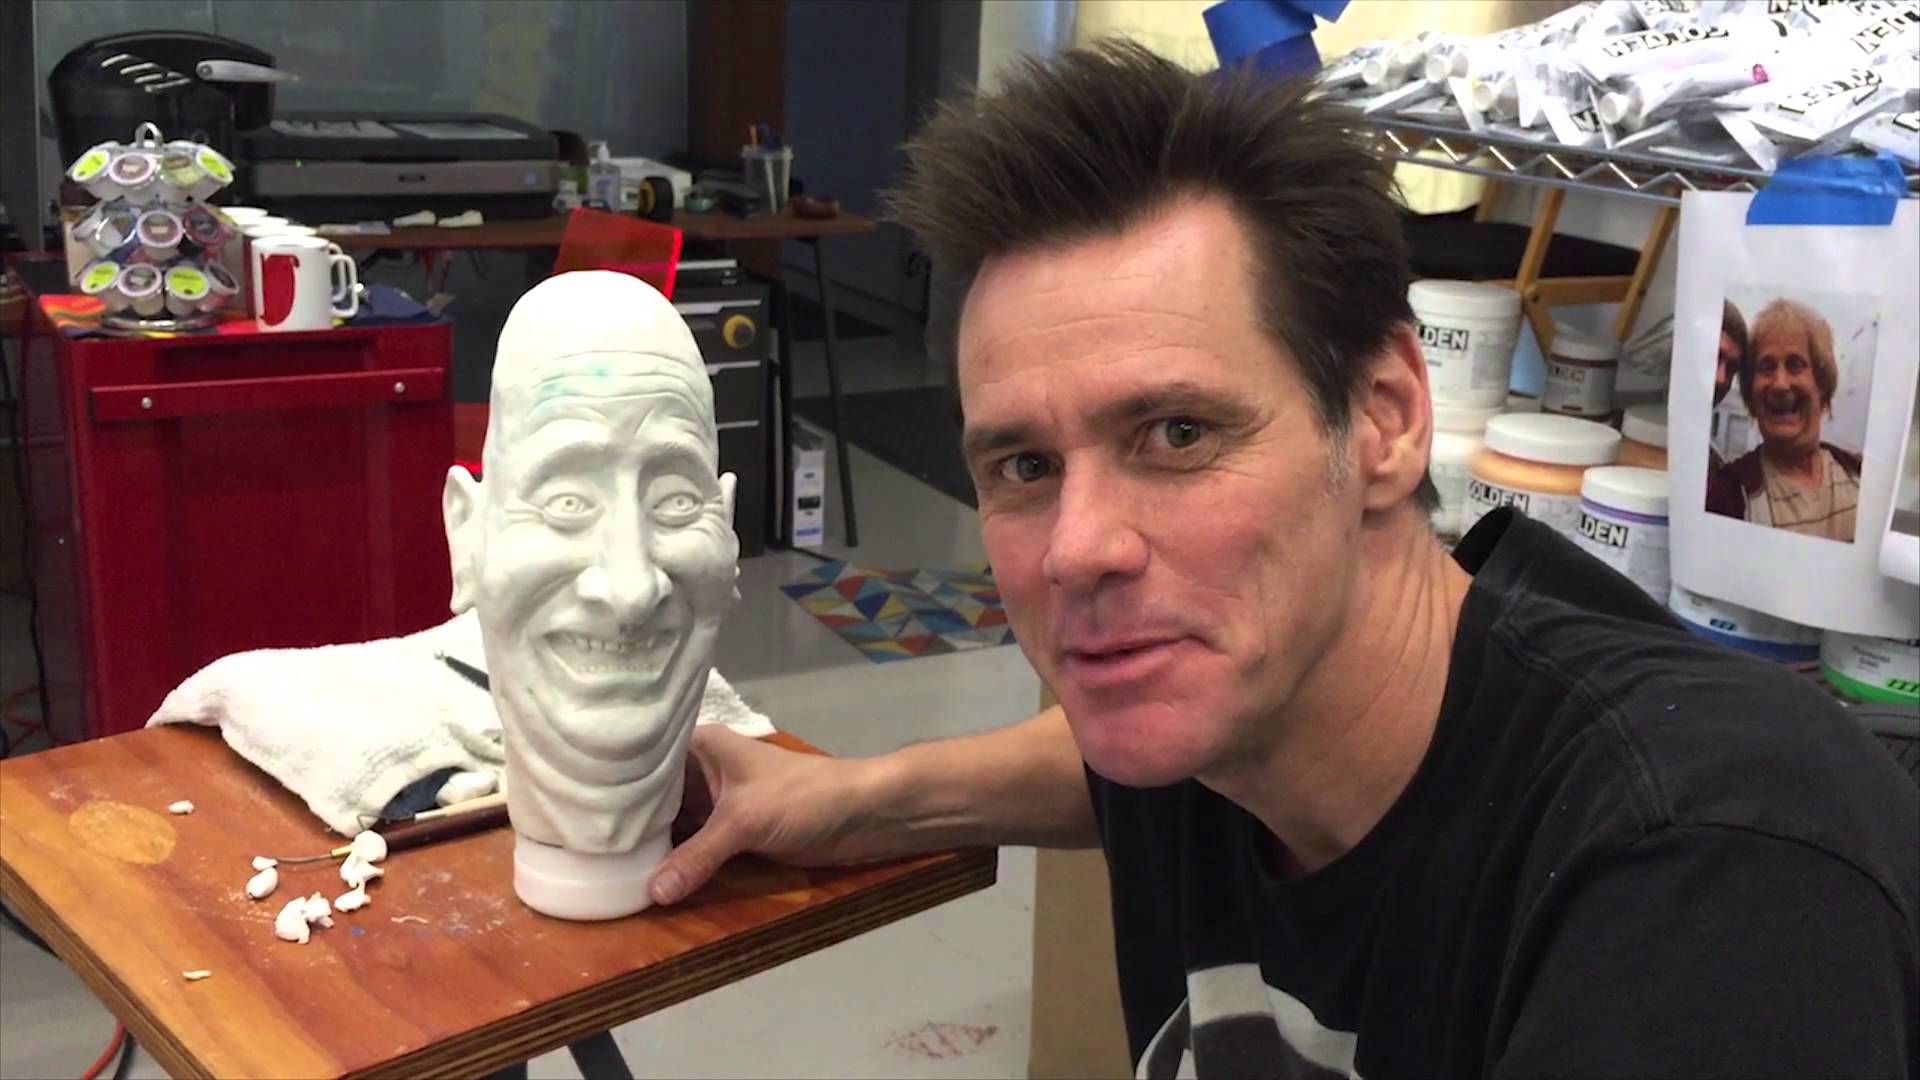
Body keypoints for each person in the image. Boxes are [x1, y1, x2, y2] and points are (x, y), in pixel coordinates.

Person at [648, 43, 1918, 1077]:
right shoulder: (1217, 707)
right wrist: (852, 798)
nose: (1079, 550)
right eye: (1024, 466)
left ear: (1385, 420)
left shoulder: (1711, 878)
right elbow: (1090, 770)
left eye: (1178, 434)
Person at [1706, 298, 1864, 541]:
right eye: (1766, 367)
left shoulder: (1860, 475)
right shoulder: (1728, 495)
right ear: (1750, 395)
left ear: (1821, 384)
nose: (1780, 384)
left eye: (1795, 365)